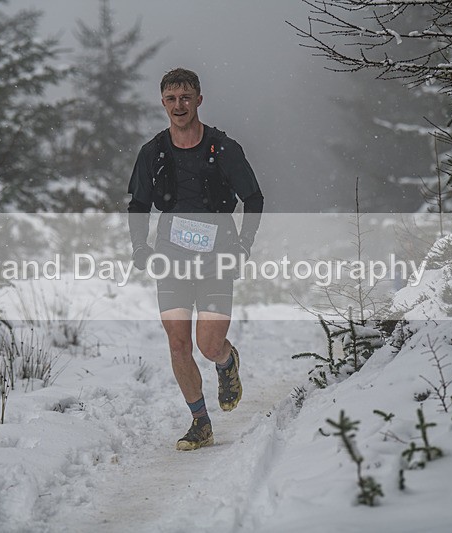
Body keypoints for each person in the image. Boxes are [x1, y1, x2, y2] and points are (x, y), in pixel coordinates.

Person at [127, 68, 264, 451]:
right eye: (171, 99)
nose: (179, 105)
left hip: (217, 255)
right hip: (171, 257)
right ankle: (200, 422)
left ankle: (225, 361)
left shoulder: (223, 148)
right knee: (177, 344)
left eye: (185, 97)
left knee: (207, 344)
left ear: (199, 100)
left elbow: (254, 198)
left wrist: (244, 245)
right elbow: (137, 204)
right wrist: (140, 247)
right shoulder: (153, 152)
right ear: (163, 103)